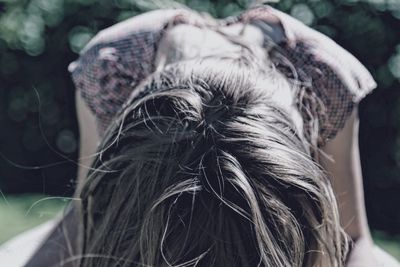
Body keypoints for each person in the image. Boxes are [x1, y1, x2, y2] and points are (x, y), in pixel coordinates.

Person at [5, 3, 400, 267]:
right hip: (148, 232)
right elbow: (89, 216)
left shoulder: (326, 80)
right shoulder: (108, 70)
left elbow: (349, 238)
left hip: (269, 234)